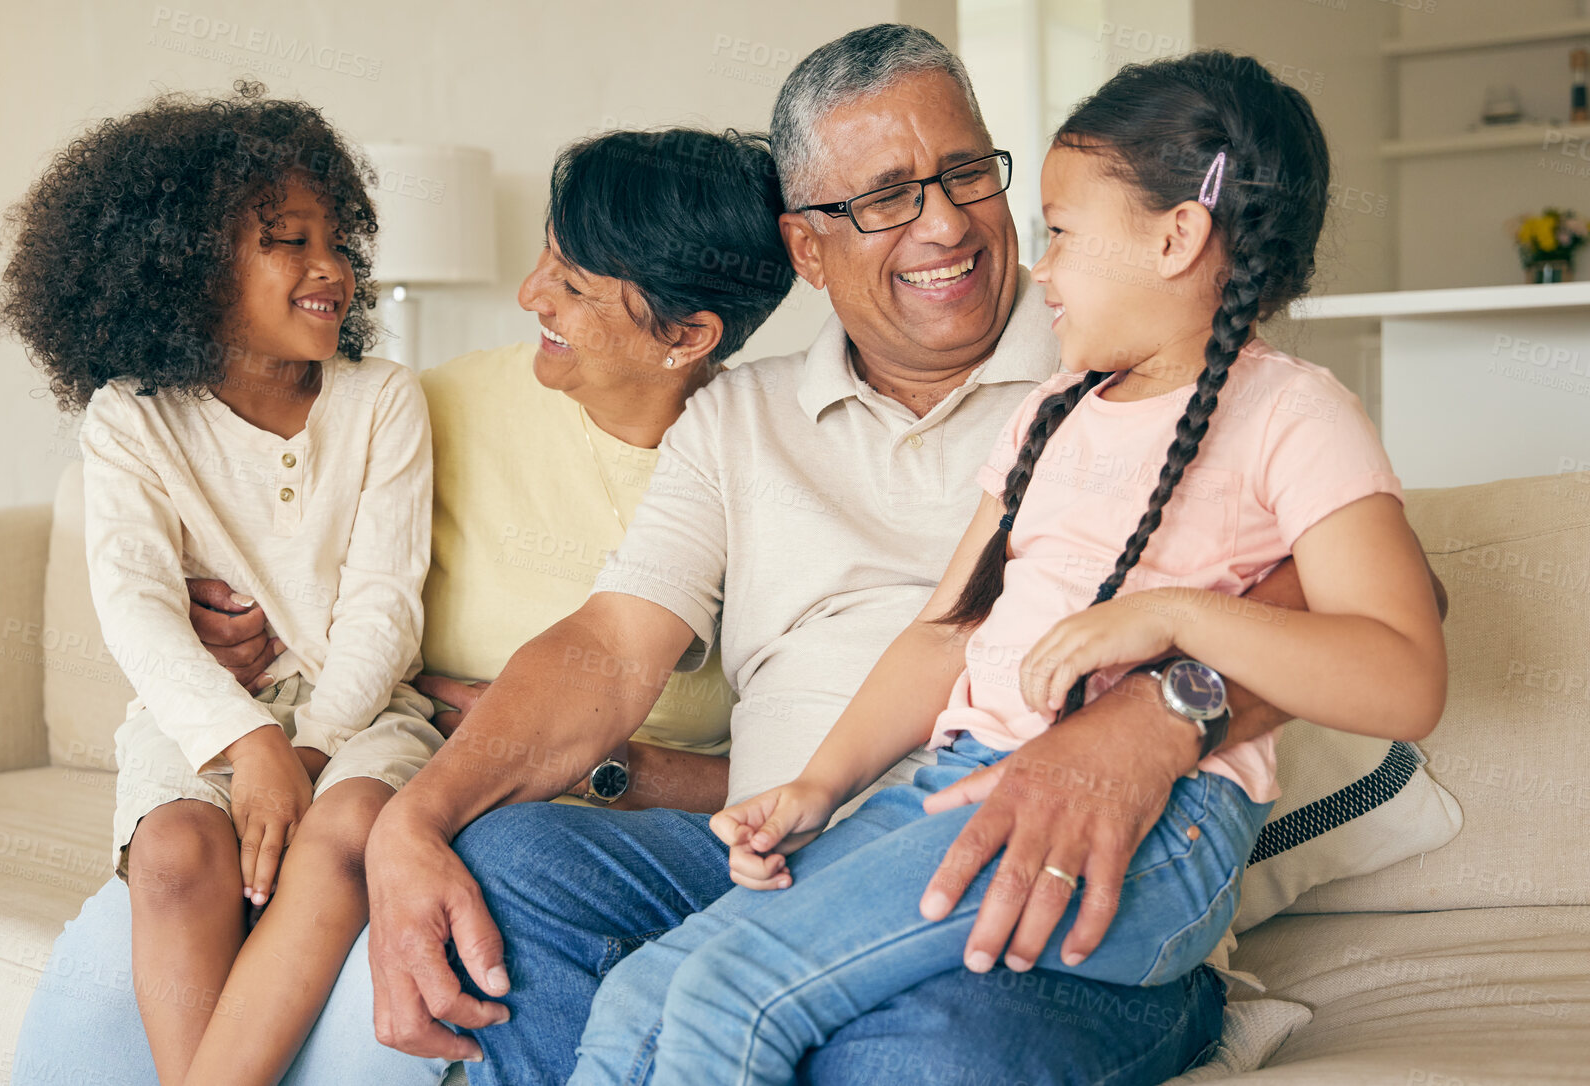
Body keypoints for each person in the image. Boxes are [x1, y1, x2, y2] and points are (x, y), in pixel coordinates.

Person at [360, 25, 1385, 1086]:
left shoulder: (1149, 365)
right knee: (517, 866)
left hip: (1035, 887)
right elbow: (615, 645)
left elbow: (1368, 607)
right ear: (806, 247)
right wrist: (416, 816)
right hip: (796, 865)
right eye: (886, 196)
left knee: (919, 1041)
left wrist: (1158, 717)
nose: (945, 222)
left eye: (964, 174)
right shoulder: (742, 420)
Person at [9, 126, 796, 1085]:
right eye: (544, 252)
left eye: (575, 285)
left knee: (390, 953)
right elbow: (284, 522)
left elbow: (819, 764)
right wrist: (223, 621)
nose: (529, 294)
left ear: (688, 335)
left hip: (484, 813)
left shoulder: (766, 472)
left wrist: (602, 768)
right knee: (139, 925)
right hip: (307, 773)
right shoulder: (439, 403)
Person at [0, 83, 442, 1086]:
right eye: (286, 240)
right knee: (173, 859)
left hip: (359, 709)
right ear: (186, 271)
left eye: (336, 240)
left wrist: (312, 747)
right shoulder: (131, 419)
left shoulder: (382, 403)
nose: (328, 267)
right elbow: (137, 607)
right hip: (203, 713)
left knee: (345, 832)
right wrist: (245, 745)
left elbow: (385, 604)